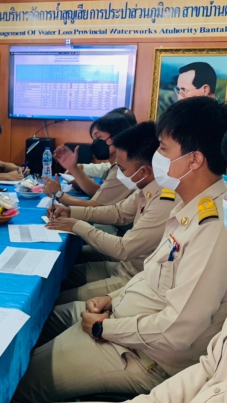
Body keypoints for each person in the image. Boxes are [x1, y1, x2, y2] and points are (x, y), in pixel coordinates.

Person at [28, 88, 227, 403]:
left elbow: (178, 335)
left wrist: (103, 328)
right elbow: (210, 368)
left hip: (149, 361)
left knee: (31, 397)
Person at [10, 96, 227, 403]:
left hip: (145, 355)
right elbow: (152, 274)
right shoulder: (188, 206)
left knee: (15, 381)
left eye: (163, 149)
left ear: (194, 160)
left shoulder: (213, 228)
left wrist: (104, 328)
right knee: (32, 340)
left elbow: (178, 330)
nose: (156, 158)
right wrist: (112, 300)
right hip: (123, 321)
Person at [46, 122, 179, 304]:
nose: (120, 173)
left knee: (54, 303)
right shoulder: (148, 186)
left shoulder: (165, 198)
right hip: (124, 266)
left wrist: (76, 225)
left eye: (122, 169)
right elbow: (118, 212)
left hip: (135, 278)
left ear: (144, 171)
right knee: (57, 277)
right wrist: (71, 212)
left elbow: (124, 249)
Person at [45, 114, 132, 208]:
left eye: (99, 138)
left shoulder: (123, 169)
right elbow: (101, 196)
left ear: (117, 135)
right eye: (94, 139)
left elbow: (96, 207)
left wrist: (58, 194)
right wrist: (72, 167)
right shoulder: (117, 164)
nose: (95, 144)